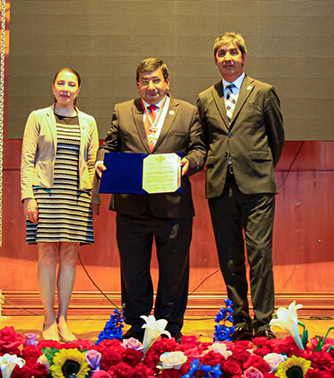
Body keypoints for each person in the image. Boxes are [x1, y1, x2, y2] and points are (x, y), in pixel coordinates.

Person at [95, 58, 205, 342]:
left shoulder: (188, 111)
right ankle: (137, 325)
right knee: (133, 271)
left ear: (167, 82)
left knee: (174, 272)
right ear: (137, 84)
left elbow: (199, 149)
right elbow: (109, 145)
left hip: (173, 207)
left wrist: (188, 164)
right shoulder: (123, 110)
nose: (151, 86)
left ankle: (169, 328)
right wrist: (100, 161)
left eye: (156, 80)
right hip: (132, 208)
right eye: (145, 81)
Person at [197, 32, 285, 340]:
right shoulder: (206, 97)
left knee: (259, 252)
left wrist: (258, 168)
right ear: (216, 60)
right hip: (221, 186)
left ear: (243, 57)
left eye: (233, 52)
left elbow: (277, 139)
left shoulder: (263, 92)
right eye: (221, 53)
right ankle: (240, 321)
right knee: (230, 257)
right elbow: (206, 141)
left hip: (257, 187)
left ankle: (263, 322)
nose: (228, 58)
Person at [20, 67, 99, 341]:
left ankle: (64, 319)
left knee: (68, 257)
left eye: (71, 84)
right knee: (47, 257)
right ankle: (49, 320)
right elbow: (27, 159)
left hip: (76, 197)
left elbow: (90, 163)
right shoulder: (38, 117)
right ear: (53, 87)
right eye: (61, 83)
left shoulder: (89, 121)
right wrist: (28, 197)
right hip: (45, 194)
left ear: (79, 90)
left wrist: (90, 197)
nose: (66, 89)